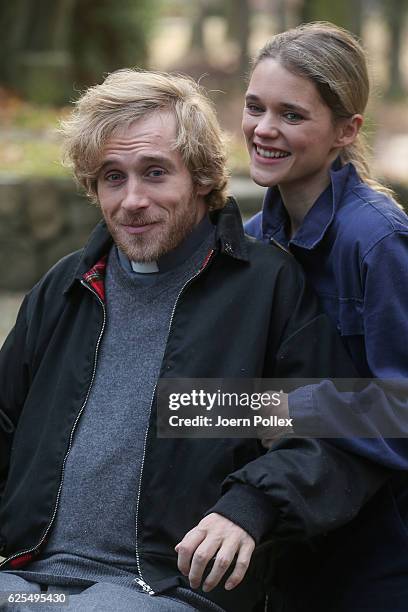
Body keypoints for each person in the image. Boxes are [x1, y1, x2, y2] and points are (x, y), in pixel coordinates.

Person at [0, 69, 385, 612]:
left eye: (155, 173)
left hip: (159, 587)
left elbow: (335, 425)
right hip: (28, 578)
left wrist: (251, 504)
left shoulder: (265, 288)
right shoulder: (67, 286)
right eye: (113, 177)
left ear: (202, 176)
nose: (132, 200)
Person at [244, 22, 408, 611]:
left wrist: (280, 408)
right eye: (254, 107)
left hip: (380, 557)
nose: (263, 129)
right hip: (284, 541)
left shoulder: (379, 242)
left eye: (291, 114)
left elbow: (403, 403)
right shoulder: (252, 239)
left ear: (346, 130)